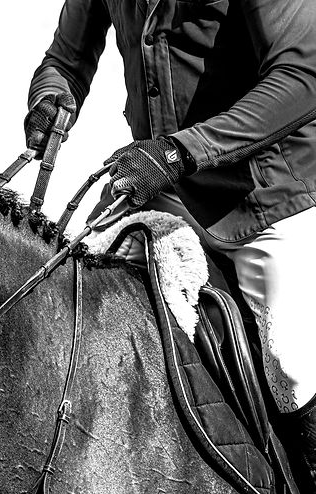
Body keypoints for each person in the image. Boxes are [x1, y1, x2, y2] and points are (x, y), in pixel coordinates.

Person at [23, 0, 316, 487]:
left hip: (269, 189)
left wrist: (180, 152)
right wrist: (52, 96)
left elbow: (303, 75)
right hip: (164, 180)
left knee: (291, 363)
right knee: (69, 298)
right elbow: (66, 58)